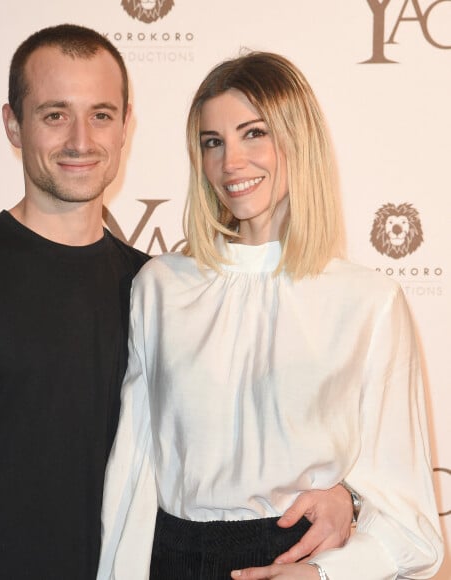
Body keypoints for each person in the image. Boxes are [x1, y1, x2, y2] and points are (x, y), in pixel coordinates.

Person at [0, 26, 353, 580]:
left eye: (100, 115)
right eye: (55, 115)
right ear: (13, 124)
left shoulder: (159, 289)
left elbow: (236, 443)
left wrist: (348, 495)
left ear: (126, 125)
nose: (81, 139)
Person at [97, 52, 444, 580]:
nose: (231, 162)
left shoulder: (368, 301)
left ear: (297, 139)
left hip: (298, 560)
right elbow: (133, 476)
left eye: (253, 133)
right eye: (213, 142)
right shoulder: (161, 288)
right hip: (172, 558)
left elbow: (411, 522)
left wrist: (326, 574)